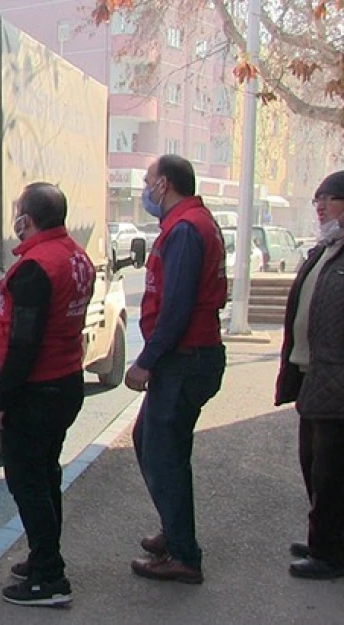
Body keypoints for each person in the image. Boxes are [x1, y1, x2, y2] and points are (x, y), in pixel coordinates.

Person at [0, 182, 95, 606]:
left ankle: (50, 578)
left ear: (25, 219)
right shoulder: (76, 256)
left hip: (37, 391)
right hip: (66, 381)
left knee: (29, 483)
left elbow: (24, 343)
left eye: (17, 211)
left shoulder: (36, 268)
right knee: (46, 477)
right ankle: (42, 557)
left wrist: (0, 400)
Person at [124, 154, 227, 584]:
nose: (145, 189)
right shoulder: (192, 223)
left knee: (164, 453)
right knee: (150, 440)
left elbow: (177, 307)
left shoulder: (186, 230)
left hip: (185, 359)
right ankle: (174, 529)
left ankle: (184, 554)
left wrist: (146, 361)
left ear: (164, 184)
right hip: (188, 357)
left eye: (148, 181)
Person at [274, 169, 344, 580]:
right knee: (314, 464)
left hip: (338, 383)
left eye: (330, 199)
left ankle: (330, 553)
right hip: (313, 377)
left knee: (331, 472)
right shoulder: (324, 250)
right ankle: (328, 538)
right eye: (317, 199)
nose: (320, 207)